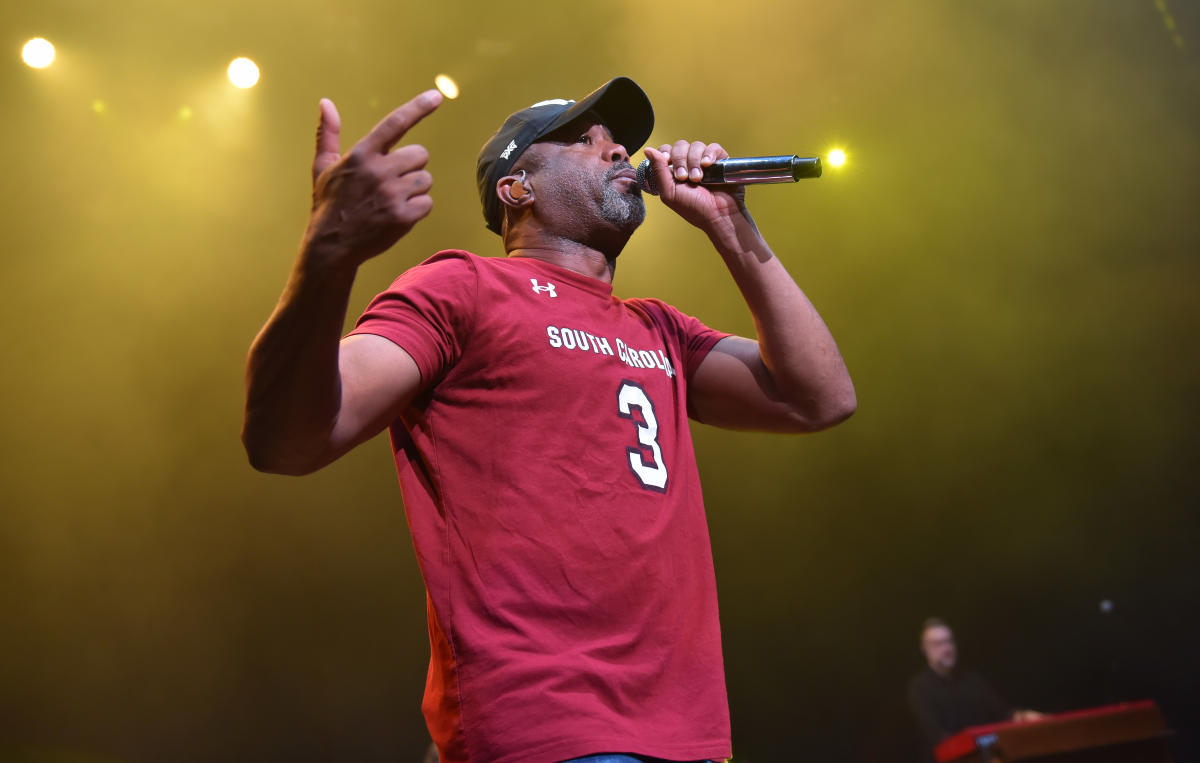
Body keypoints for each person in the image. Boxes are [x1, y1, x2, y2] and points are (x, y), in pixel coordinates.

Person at [242, 76, 856, 763]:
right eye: (584, 140)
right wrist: (327, 257)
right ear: (517, 189)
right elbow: (287, 439)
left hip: (688, 734)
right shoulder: (462, 287)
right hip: (546, 724)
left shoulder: (660, 329)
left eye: (619, 142)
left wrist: (728, 222)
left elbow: (819, 398)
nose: (619, 151)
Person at [907, 618, 1043, 760]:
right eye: (938, 644)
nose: (946, 648)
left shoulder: (972, 680)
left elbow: (1000, 712)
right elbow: (936, 735)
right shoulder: (919, 688)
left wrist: (1023, 716)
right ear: (925, 649)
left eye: (949, 641)